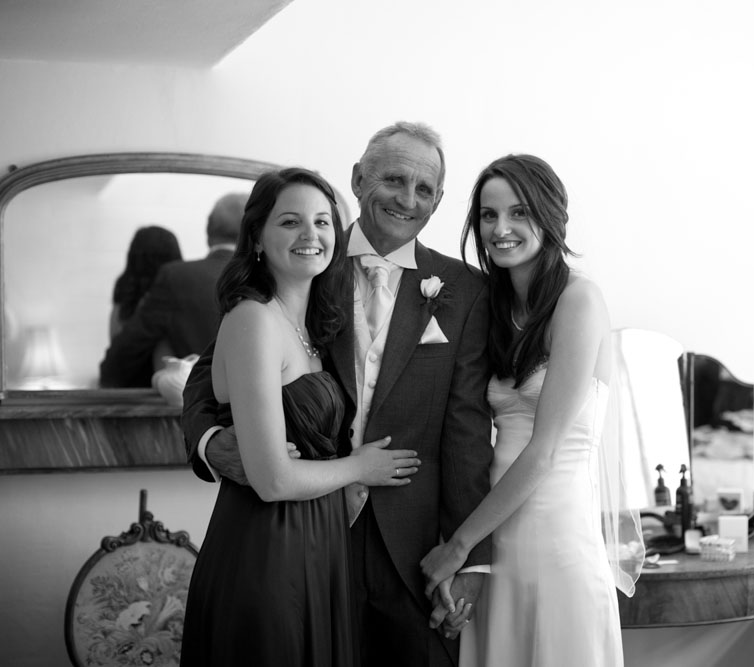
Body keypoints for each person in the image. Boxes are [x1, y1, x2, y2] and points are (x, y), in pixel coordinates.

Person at [180, 122, 494, 666]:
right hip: (304, 542)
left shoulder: (464, 290)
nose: (406, 199)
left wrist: (469, 562)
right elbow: (207, 376)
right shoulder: (308, 262)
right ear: (358, 179)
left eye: (424, 189)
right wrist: (210, 442)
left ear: (439, 200)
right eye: (393, 179)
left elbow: (467, 433)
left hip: (413, 554)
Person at [420, 154, 637, 667]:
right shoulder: (490, 305)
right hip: (498, 538)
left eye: (519, 213)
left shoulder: (579, 302)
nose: (501, 229)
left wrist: (458, 545)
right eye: (489, 216)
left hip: (557, 538)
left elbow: (542, 452)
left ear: (551, 216)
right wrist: (474, 556)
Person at [99, 192, 248, 388]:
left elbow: (121, 358)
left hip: (196, 408)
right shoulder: (277, 279)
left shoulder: (177, 277)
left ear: (209, 229)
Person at [105, 225, 182, 386]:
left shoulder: (125, 290)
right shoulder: (173, 293)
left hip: (127, 383)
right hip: (167, 383)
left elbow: (115, 340)